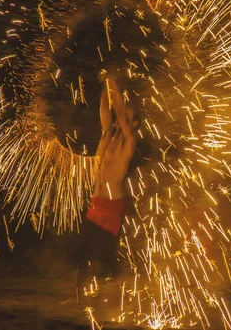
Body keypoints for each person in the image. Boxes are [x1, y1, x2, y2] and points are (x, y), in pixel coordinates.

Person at [75, 74, 138, 297]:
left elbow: (119, 113)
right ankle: (80, 295)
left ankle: (123, 293)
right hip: (97, 202)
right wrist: (105, 89)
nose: (122, 120)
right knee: (84, 251)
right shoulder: (108, 136)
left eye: (127, 118)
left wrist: (114, 87)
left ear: (134, 124)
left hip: (111, 207)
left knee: (107, 258)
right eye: (124, 117)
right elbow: (105, 111)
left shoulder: (129, 141)